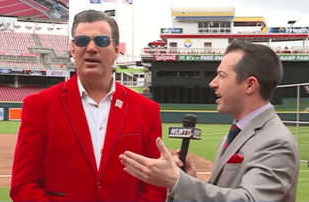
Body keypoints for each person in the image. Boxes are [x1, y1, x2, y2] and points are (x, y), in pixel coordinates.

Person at [10, 10, 167, 201]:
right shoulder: (38, 106)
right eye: (82, 41)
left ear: (117, 50)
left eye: (101, 41)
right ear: (73, 49)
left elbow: (154, 187)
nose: (91, 48)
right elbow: (24, 185)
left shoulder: (146, 110)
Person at [119, 41, 300, 201]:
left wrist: (177, 181)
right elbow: (227, 191)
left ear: (250, 85)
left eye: (221, 75)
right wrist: (191, 181)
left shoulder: (276, 142)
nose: (213, 83)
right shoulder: (233, 135)